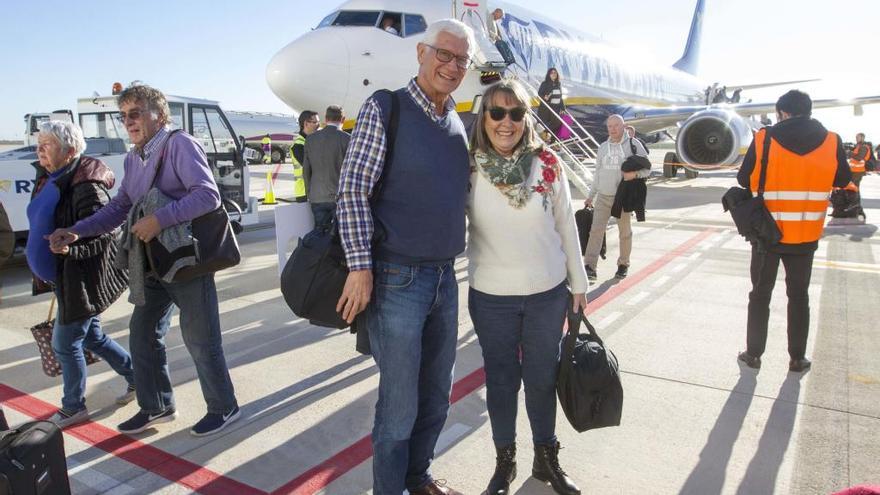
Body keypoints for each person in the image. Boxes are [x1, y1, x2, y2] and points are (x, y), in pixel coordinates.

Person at [48, 84, 241, 436]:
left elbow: (208, 195)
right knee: (142, 336)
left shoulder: (179, 144)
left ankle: (224, 406)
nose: (128, 121)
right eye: (123, 116)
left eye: (135, 113)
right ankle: (157, 406)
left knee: (201, 340)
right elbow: (120, 206)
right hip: (153, 263)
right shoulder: (133, 158)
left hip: (185, 262)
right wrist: (77, 231)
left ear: (159, 114)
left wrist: (159, 220)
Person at [335, 19, 475, 495]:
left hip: (444, 277)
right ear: (421, 53)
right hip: (397, 279)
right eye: (444, 54)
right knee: (399, 407)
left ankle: (418, 477)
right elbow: (352, 190)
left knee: (437, 394)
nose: (452, 66)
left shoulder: (456, 123)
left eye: (461, 60)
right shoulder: (386, 107)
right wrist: (360, 266)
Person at [467, 80, 586, 495]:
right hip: (491, 296)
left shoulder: (547, 162)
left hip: (546, 294)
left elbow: (566, 225)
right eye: (497, 113)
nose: (507, 122)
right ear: (484, 118)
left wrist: (579, 283)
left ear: (526, 118)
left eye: (516, 113)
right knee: (501, 383)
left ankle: (546, 458)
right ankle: (505, 463)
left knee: (541, 379)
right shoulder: (469, 168)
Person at [26, 121, 134, 428]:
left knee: (64, 344)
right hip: (61, 279)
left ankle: (73, 407)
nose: (39, 149)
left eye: (47, 144)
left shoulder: (86, 184)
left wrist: (70, 250)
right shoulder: (49, 177)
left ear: (70, 150)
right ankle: (139, 378)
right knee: (93, 337)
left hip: (80, 280)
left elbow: (106, 234)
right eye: (39, 143)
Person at [735, 90, 851, 373]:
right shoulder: (832, 140)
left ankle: (754, 354)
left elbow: (743, 178)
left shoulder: (765, 138)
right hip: (805, 234)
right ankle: (797, 358)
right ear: (808, 111)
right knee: (799, 296)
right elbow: (843, 178)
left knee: (760, 294)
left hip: (768, 234)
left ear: (783, 112)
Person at [584, 115, 650, 283]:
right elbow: (598, 173)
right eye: (609, 126)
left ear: (623, 126)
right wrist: (591, 196)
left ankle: (623, 264)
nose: (612, 129)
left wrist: (635, 174)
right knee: (595, 231)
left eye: (616, 125)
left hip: (623, 197)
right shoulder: (603, 147)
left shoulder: (633, 144)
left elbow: (647, 169)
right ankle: (590, 266)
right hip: (603, 196)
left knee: (625, 233)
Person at [303, 105, 350, 230]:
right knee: (340, 234)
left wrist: (309, 193)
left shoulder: (310, 139)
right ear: (343, 119)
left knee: (320, 233)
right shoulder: (347, 139)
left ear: (325, 118)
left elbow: (306, 170)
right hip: (340, 197)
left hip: (317, 196)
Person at [291, 110, 319, 202]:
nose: (318, 125)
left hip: (314, 190)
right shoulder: (298, 145)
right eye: (315, 122)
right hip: (304, 192)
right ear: (306, 123)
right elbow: (311, 167)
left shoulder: (311, 141)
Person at [537, 68, 566, 136]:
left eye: (555, 73)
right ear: (549, 74)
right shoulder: (545, 83)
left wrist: (563, 108)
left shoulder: (558, 84)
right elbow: (539, 94)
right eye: (552, 73)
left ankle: (547, 135)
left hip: (556, 108)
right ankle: (545, 135)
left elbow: (560, 97)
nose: (553, 74)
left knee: (558, 123)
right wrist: (544, 97)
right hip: (547, 108)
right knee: (548, 123)